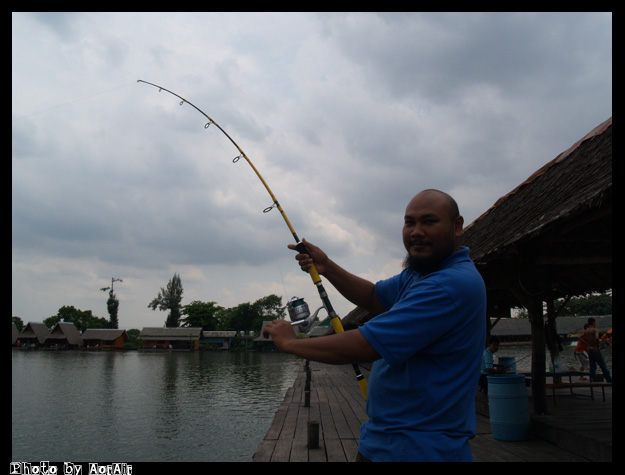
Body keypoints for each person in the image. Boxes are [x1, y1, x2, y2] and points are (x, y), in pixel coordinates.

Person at [263, 189, 486, 462]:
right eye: (409, 222)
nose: (416, 231)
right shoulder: (420, 275)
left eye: (429, 221)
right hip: (384, 440)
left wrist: (291, 343)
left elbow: (365, 345)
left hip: (421, 448)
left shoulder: (450, 285)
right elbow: (373, 297)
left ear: (457, 226)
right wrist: (327, 266)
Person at [582, 318, 612, 383]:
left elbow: (580, 337)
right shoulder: (595, 330)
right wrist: (597, 346)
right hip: (595, 349)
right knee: (603, 365)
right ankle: (609, 380)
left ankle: (594, 380)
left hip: (589, 349)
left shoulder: (586, 331)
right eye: (595, 322)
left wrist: (587, 344)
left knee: (592, 367)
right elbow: (596, 338)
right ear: (593, 322)